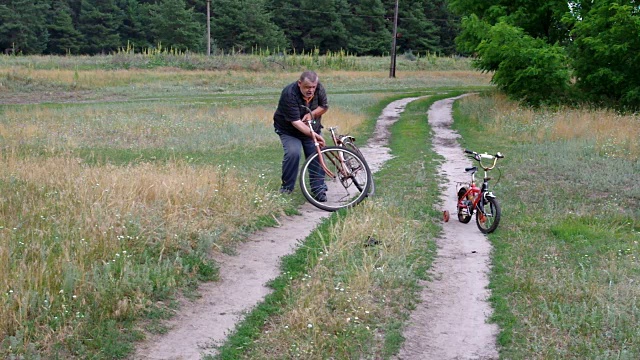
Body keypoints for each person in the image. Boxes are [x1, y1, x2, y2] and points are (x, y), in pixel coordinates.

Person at [273, 70, 329, 201]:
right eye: (307, 87)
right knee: (293, 153)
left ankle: (319, 189)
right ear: (299, 83)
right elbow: (296, 123)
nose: (311, 90)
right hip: (289, 130)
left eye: (313, 87)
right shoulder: (289, 93)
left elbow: (324, 106)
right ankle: (287, 188)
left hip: (311, 128)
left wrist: (312, 114)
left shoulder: (319, 88)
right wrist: (315, 135)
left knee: (316, 154)